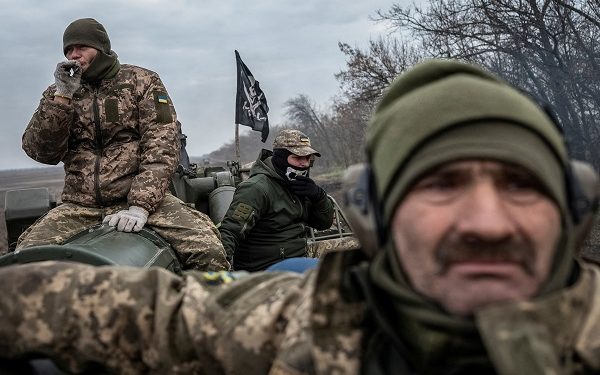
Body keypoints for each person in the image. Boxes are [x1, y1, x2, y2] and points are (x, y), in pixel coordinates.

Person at [0, 59, 599, 374]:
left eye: (523, 185)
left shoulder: (308, 189)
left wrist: (143, 200)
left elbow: (320, 212)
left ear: (572, 209)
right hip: (251, 261)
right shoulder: (298, 323)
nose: (487, 223)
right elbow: (158, 308)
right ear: (381, 214)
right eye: (441, 187)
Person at [17, 18, 229, 271]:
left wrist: (140, 205)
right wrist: (62, 98)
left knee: (208, 251)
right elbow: (42, 152)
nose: (73, 55)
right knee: (23, 259)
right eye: (68, 50)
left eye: (81, 47)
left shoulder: (142, 81)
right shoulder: (59, 92)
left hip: (142, 201)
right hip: (80, 205)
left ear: (101, 47)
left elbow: (161, 146)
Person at [219, 129, 334, 271]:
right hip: (268, 267)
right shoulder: (256, 188)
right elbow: (230, 232)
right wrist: (220, 277)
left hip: (298, 255)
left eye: (308, 158)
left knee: (351, 251)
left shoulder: (299, 185)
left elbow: (324, 223)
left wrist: (319, 197)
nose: (304, 164)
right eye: (298, 158)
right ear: (280, 158)